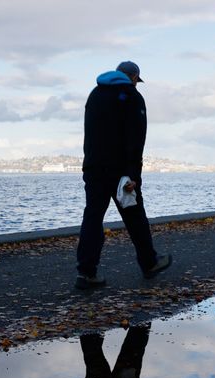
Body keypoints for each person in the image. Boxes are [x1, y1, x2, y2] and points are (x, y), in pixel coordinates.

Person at [75, 61, 172, 290]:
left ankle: (86, 273)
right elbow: (136, 139)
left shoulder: (95, 94)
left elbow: (90, 134)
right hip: (120, 171)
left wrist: (89, 164)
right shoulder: (132, 97)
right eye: (137, 80)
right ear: (133, 77)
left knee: (93, 218)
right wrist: (133, 175)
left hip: (93, 167)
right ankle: (149, 263)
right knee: (135, 216)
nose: (136, 84)